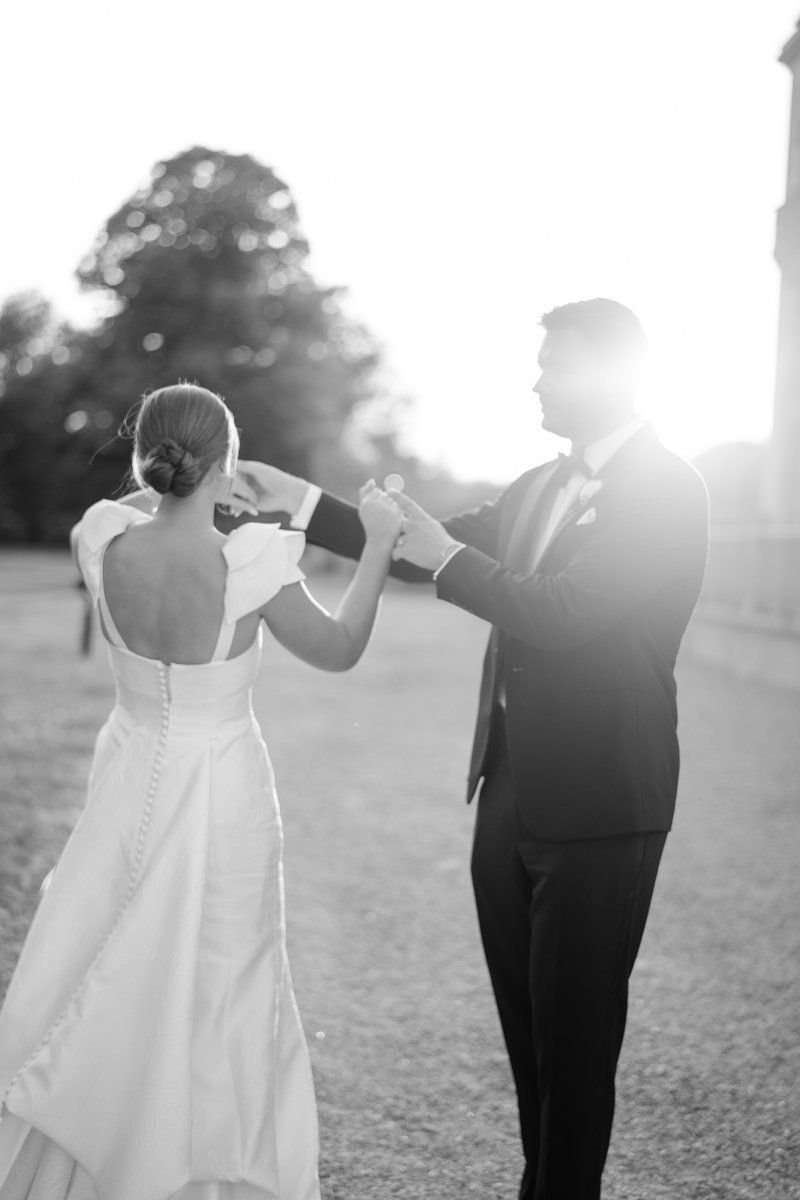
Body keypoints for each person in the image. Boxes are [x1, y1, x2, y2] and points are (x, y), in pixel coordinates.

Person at [236, 299, 710, 1200]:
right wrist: (296, 500)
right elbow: (417, 545)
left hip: (605, 795)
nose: (537, 379)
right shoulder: (537, 486)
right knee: (530, 1031)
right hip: (510, 787)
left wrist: (450, 555)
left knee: (577, 1041)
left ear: (613, 375)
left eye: (556, 365)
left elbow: (563, 612)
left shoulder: (669, 488)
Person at [0, 383, 402, 1199]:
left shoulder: (101, 538)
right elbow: (340, 648)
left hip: (125, 779)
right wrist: (379, 545)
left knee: (102, 952)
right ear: (226, 462)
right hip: (221, 792)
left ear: (147, 459)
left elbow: (147, 512)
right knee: (220, 978)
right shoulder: (248, 562)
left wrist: (202, 484)